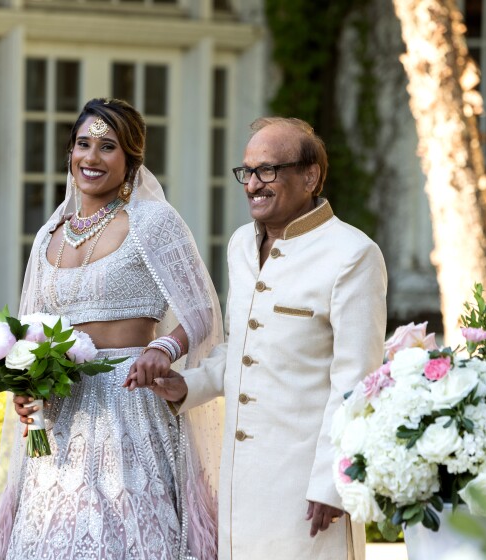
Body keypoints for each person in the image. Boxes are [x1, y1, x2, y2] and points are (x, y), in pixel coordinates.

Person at [128, 117, 387, 559]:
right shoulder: (240, 247)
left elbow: (357, 382)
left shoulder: (352, 254)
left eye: (267, 170)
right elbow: (242, 347)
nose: (252, 184)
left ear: (311, 176)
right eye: (246, 171)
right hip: (239, 480)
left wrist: (332, 480)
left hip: (307, 486)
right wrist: (189, 385)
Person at [0, 98, 225, 560]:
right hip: (61, 412)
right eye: (83, 144)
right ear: (69, 152)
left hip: (129, 400)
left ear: (131, 160)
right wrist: (25, 385)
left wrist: (164, 348)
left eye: (108, 146)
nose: (91, 157)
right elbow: (31, 325)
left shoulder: (153, 223)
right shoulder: (48, 234)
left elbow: (199, 309)